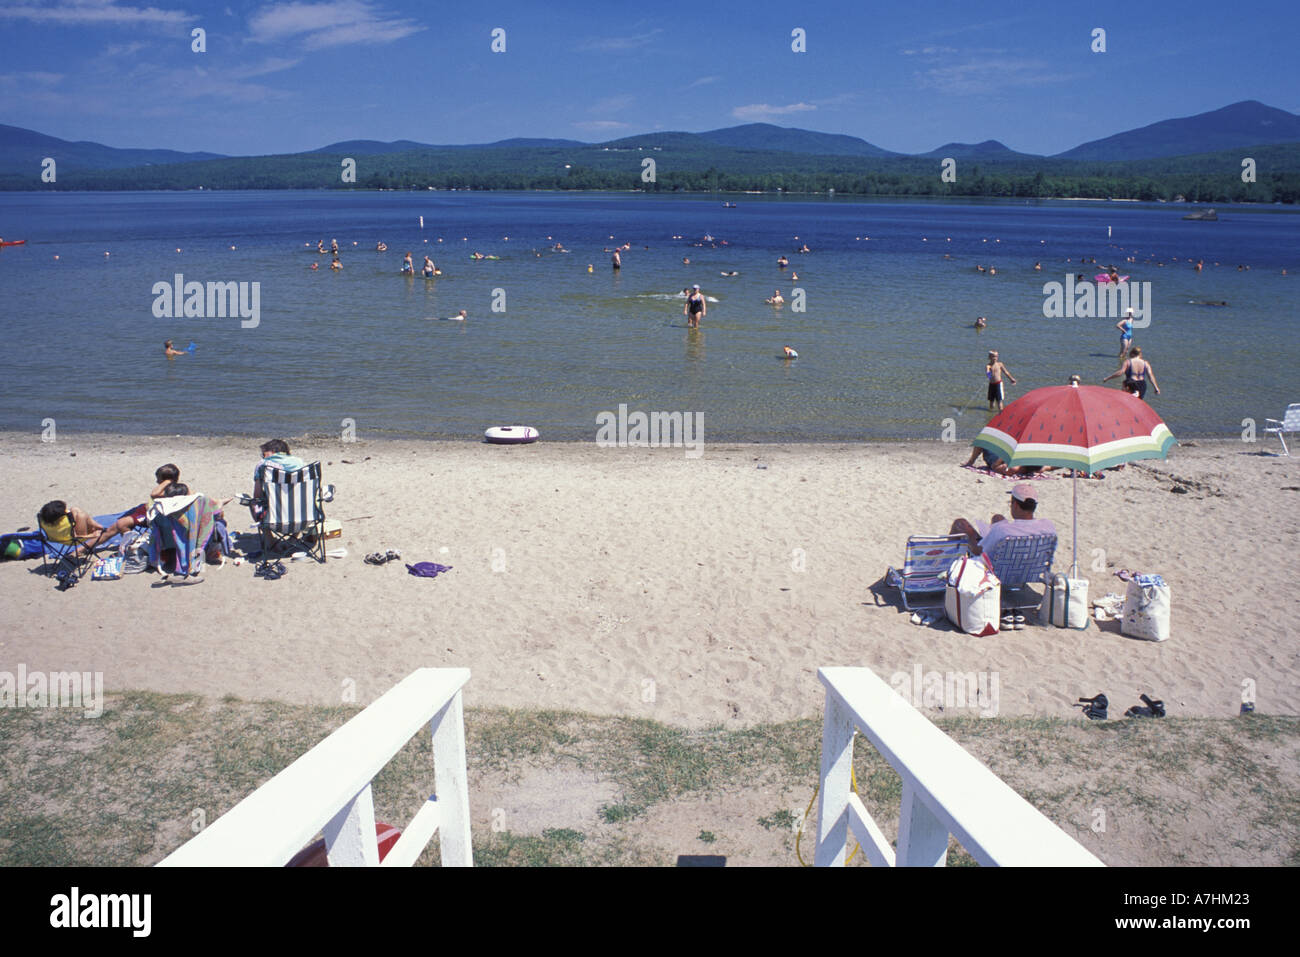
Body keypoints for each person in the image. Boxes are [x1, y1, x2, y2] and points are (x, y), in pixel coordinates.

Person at [950, 484, 1056, 557]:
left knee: (960, 523)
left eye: (1010, 503)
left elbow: (979, 551)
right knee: (998, 518)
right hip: (1028, 567)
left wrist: (972, 538)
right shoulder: (1048, 526)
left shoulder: (1003, 531)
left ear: (1015, 505)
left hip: (997, 571)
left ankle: (944, 563)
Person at [38, 500, 136, 556]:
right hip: (73, 539)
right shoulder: (65, 523)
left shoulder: (44, 521)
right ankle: (99, 528)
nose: (66, 510)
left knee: (75, 509)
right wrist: (93, 535)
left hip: (55, 538)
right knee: (81, 515)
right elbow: (78, 536)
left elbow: (70, 513)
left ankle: (99, 526)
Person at [249, 439, 305, 519]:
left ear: (271, 451)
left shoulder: (263, 465)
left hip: (274, 515)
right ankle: (296, 531)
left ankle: (267, 531)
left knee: (254, 502)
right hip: (300, 513)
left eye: (263, 454)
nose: (263, 457)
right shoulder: (300, 462)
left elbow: (257, 494)